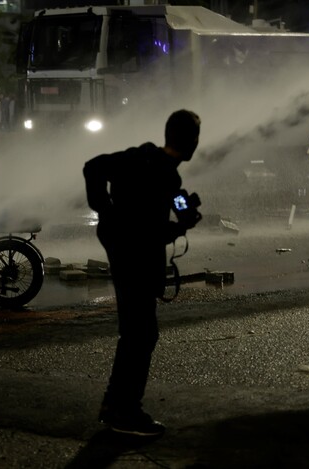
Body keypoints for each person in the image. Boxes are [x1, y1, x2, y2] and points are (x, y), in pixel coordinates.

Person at [82, 109, 202, 437]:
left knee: (136, 332)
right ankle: (125, 411)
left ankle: (114, 404)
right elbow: (152, 229)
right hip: (134, 256)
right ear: (192, 143)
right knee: (140, 334)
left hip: (122, 247)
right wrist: (180, 227)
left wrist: (105, 209)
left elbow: (93, 166)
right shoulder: (165, 176)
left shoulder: (139, 157)